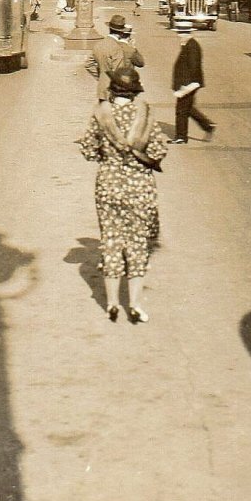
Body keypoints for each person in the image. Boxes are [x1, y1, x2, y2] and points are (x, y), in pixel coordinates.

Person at [79, 67, 168, 323]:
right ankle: (136, 304)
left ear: (113, 89)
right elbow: (159, 149)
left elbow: (88, 149)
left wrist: (108, 157)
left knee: (110, 240)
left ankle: (112, 304)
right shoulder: (145, 113)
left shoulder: (100, 114)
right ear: (134, 91)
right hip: (139, 186)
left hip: (108, 185)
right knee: (138, 243)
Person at [85, 14, 144, 101]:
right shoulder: (118, 48)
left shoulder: (99, 44)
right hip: (114, 91)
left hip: (102, 89)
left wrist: (102, 76)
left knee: (103, 113)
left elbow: (88, 64)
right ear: (121, 32)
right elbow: (119, 71)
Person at [172, 33, 215, 143]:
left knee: (181, 110)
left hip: (189, 84)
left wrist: (188, 86)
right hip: (189, 83)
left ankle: (181, 137)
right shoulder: (189, 44)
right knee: (188, 108)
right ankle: (207, 125)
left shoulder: (192, 46)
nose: (180, 37)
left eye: (183, 34)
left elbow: (194, 66)